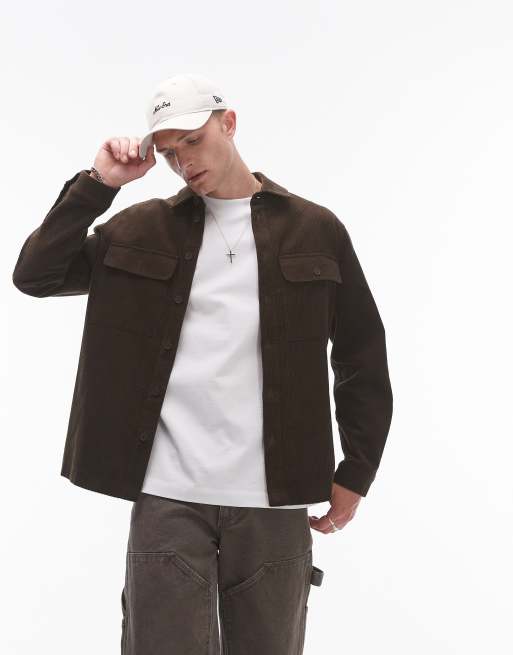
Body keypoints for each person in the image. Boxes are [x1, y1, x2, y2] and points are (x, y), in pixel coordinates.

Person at [12, 73, 393, 654]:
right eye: (169, 153)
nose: (184, 161)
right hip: (168, 497)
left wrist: (357, 470)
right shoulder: (141, 228)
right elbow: (36, 276)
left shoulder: (315, 228)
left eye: (193, 140)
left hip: (275, 500)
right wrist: (99, 183)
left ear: (228, 123)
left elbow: (361, 355)